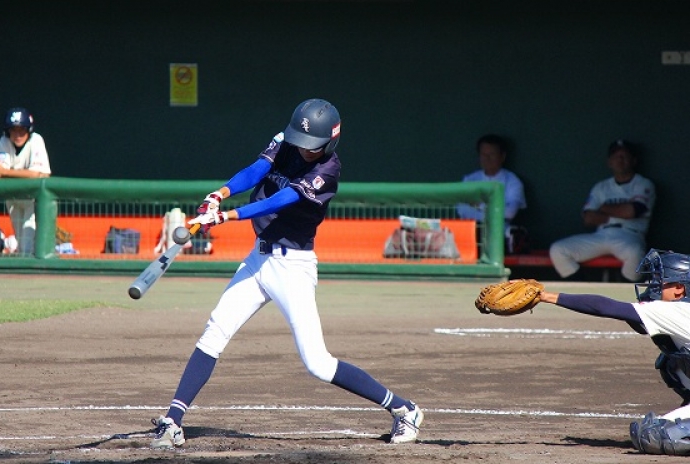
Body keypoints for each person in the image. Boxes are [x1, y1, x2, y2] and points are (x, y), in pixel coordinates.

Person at [150, 99, 423, 448]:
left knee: (318, 364)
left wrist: (226, 216)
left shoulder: (327, 171)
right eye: (300, 141)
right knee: (214, 332)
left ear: (330, 142)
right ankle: (173, 421)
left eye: (313, 146)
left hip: (293, 268)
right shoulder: (288, 141)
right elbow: (257, 170)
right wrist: (219, 194)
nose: (304, 149)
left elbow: (278, 202)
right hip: (258, 260)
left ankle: (404, 409)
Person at [536, 248, 690, 455]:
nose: (652, 285)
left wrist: (546, 296)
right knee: (670, 362)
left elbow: (605, 307)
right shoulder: (677, 310)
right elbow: (636, 323)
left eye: (658, 281)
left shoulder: (676, 310)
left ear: (679, 289)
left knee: (653, 436)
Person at [549, 139, 655, 282]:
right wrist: (619, 212)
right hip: (601, 234)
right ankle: (581, 289)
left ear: (634, 160)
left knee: (635, 254)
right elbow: (588, 218)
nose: (620, 160)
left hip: (629, 235)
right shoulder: (601, 187)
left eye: (624, 156)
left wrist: (603, 208)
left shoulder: (643, 184)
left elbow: (632, 211)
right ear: (609, 162)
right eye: (616, 156)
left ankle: (625, 292)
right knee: (558, 249)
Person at [0, 108, 50, 256]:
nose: (17, 135)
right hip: (14, 198)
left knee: (28, 244)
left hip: (33, 200)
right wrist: (21, 173)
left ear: (28, 130)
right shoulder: (4, 141)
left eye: (21, 130)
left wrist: (6, 172)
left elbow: (37, 174)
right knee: (22, 243)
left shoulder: (36, 140)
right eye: (13, 130)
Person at [456, 134, 527, 253]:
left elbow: (510, 213)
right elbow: (462, 209)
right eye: (483, 155)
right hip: (471, 233)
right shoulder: (470, 179)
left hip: (499, 235)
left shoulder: (512, 180)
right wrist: (495, 212)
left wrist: (479, 205)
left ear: (502, 156)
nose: (487, 159)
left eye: (492, 154)